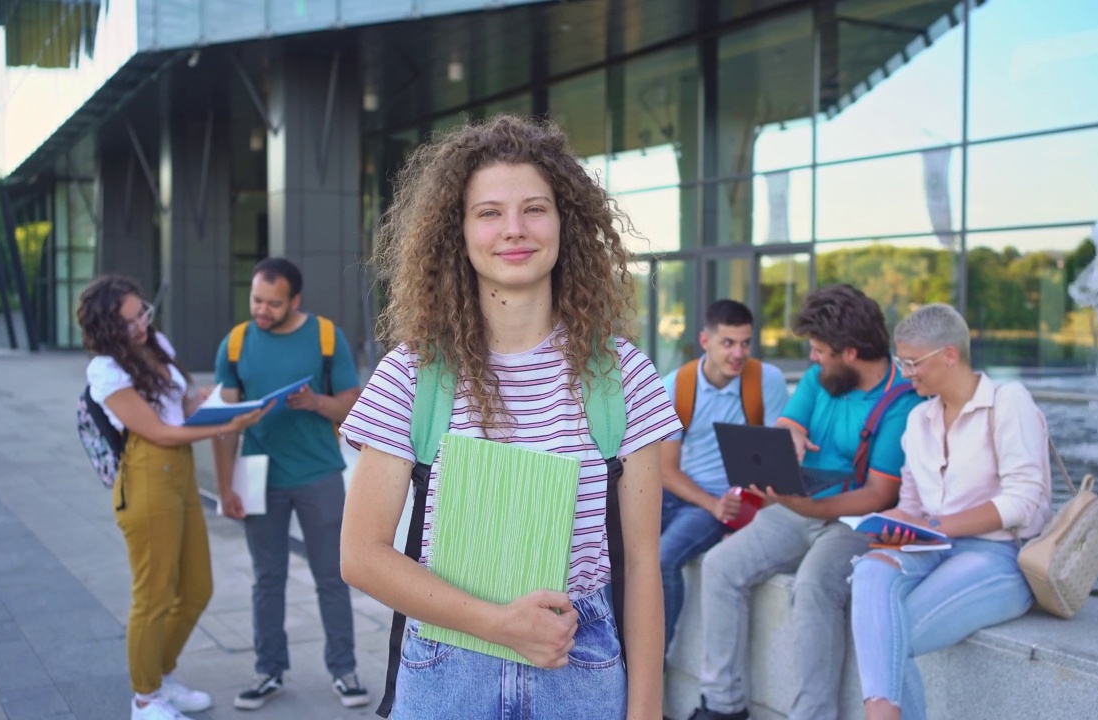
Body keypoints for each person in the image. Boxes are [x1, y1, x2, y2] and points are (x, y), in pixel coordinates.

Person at [339, 114, 681, 720]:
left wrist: (647, 711)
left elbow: (643, 564)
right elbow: (361, 555)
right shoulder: (410, 375)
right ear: (458, 232)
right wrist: (501, 624)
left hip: (579, 666)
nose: (514, 230)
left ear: (565, 223)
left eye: (535, 209)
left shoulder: (622, 376)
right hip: (446, 669)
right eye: (489, 212)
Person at [687, 284, 923, 720]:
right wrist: (789, 437)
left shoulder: (902, 404)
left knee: (814, 585)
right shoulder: (822, 377)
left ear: (849, 352)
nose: (812, 359)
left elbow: (879, 494)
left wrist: (807, 508)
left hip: (855, 521)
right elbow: (789, 421)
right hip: (801, 507)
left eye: (819, 350)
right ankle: (722, 705)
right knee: (721, 566)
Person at [78, 275, 268, 720]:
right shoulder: (105, 369)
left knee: (197, 588)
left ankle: (159, 676)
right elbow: (159, 431)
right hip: (147, 474)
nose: (140, 326)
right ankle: (144, 698)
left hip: (177, 468)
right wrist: (226, 426)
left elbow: (178, 413)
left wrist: (207, 403)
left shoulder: (156, 344)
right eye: (128, 323)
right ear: (107, 328)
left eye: (141, 312)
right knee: (154, 594)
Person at [850, 303, 1053, 720]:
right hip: (934, 547)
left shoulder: (1007, 401)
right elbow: (910, 506)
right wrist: (892, 529)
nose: (905, 373)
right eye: (901, 363)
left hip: (999, 556)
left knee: (889, 637)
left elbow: (1023, 501)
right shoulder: (919, 419)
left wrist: (934, 525)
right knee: (870, 568)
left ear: (949, 355)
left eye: (912, 363)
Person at [210, 257, 368, 710]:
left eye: (273, 303)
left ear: (294, 300)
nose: (261, 309)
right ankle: (268, 672)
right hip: (258, 478)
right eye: (257, 299)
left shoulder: (324, 337)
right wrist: (225, 489)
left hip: (319, 476)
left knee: (333, 578)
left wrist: (315, 401)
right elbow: (223, 426)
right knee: (267, 579)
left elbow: (350, 409)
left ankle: (345, 670)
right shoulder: (236, 343)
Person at [659, 299, 788, 651]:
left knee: (662, 560)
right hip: (685, 494)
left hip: (725, 503)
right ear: (705, 341)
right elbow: (665, 469)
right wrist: (710, 504)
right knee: (612, 554)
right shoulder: (677, 385)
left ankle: (657, 669)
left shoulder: (767, 381)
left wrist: (743, 516)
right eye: (728, 343)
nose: (738, 353)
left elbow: (777, 462)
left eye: (745, 343)